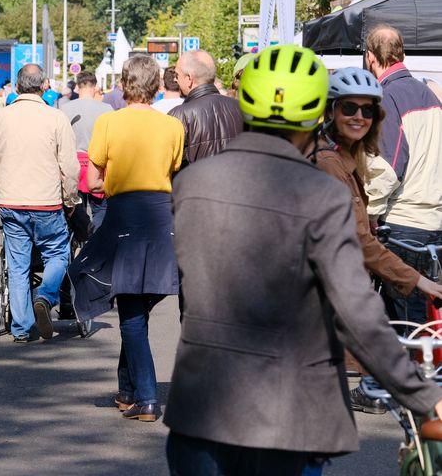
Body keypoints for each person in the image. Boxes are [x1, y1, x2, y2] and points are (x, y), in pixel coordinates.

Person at [164, 44, 442, 475]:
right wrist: (423, 397)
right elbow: (356, 311)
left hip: (201, 407)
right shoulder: (320, 194)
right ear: (318, 115)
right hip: (287, 417)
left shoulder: (194, 183)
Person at [312, 66, 442, 415]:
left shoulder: (346, 155)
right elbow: (359, 240)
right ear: (330, 110)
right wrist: (418, 280)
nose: (359, 116)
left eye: (367, 109)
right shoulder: (328, 162)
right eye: (349, 108)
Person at [68, 55, 184, 421]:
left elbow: (95, 179)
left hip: (124, 215)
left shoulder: (109, 121)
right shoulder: (171, 126)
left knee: (131, 310)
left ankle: (147, 397)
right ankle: (127, 388)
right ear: (156, 85)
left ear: (123, 84)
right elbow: (175, 169)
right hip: (162, 215)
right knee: (139, 304)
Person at [0, 63, 80, 342]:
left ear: (17, 84)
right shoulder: (56, 118)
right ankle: (46, 297)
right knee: (58, 254)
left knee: (18, 264)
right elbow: (70, 167)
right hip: (47, 201)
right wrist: (70, 199)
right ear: (44, 85)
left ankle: (22, 328)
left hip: (12, 201)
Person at [363, 25, 442, 324]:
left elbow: (389, 166)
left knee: (405, 326)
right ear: (403, 53)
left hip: (402, 227)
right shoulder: (430, 95)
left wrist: (370, 213)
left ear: (370, 58)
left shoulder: (387, 97)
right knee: (426, 326)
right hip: (434, 224)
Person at [168, 50, 243, 168]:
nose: (175, 80)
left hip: (195, 184)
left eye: (177, 75)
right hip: (235, 184)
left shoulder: (178, 115)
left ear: (189, 79)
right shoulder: (240, 108)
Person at [59, 71, 112, 231]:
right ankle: (96, 240)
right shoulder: (107, 109)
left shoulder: (64, 108)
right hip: (98, 166)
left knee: (75, 208)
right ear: (95, 87)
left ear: (77, 87)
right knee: (101, 208)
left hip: (72, 165)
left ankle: (80, 236)